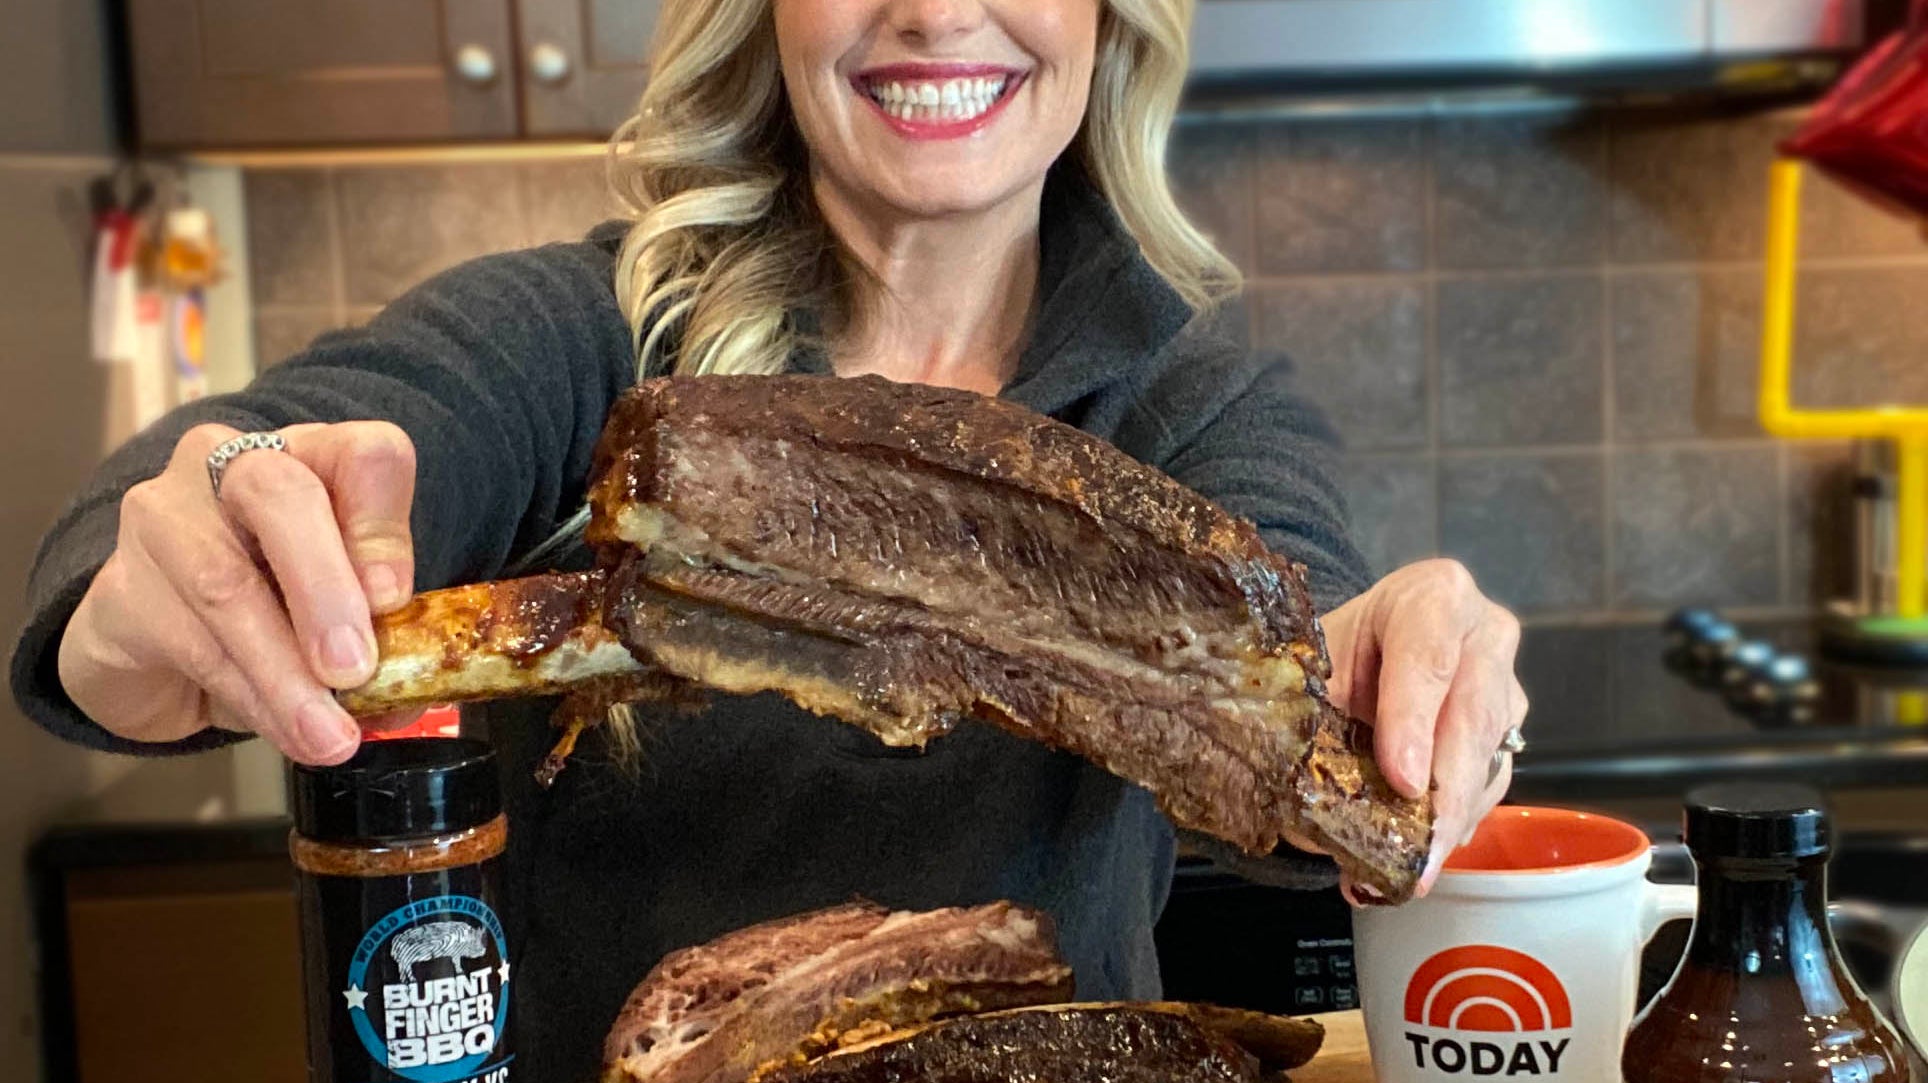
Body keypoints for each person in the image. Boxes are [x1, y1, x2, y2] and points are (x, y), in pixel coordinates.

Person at [13, 0, 1525, 1078]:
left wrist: (1388, 690)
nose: (937, 12)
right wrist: (195, 536)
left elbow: (1304, 642)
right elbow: (245, 467)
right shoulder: (580, 342)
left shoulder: (1193, 401)